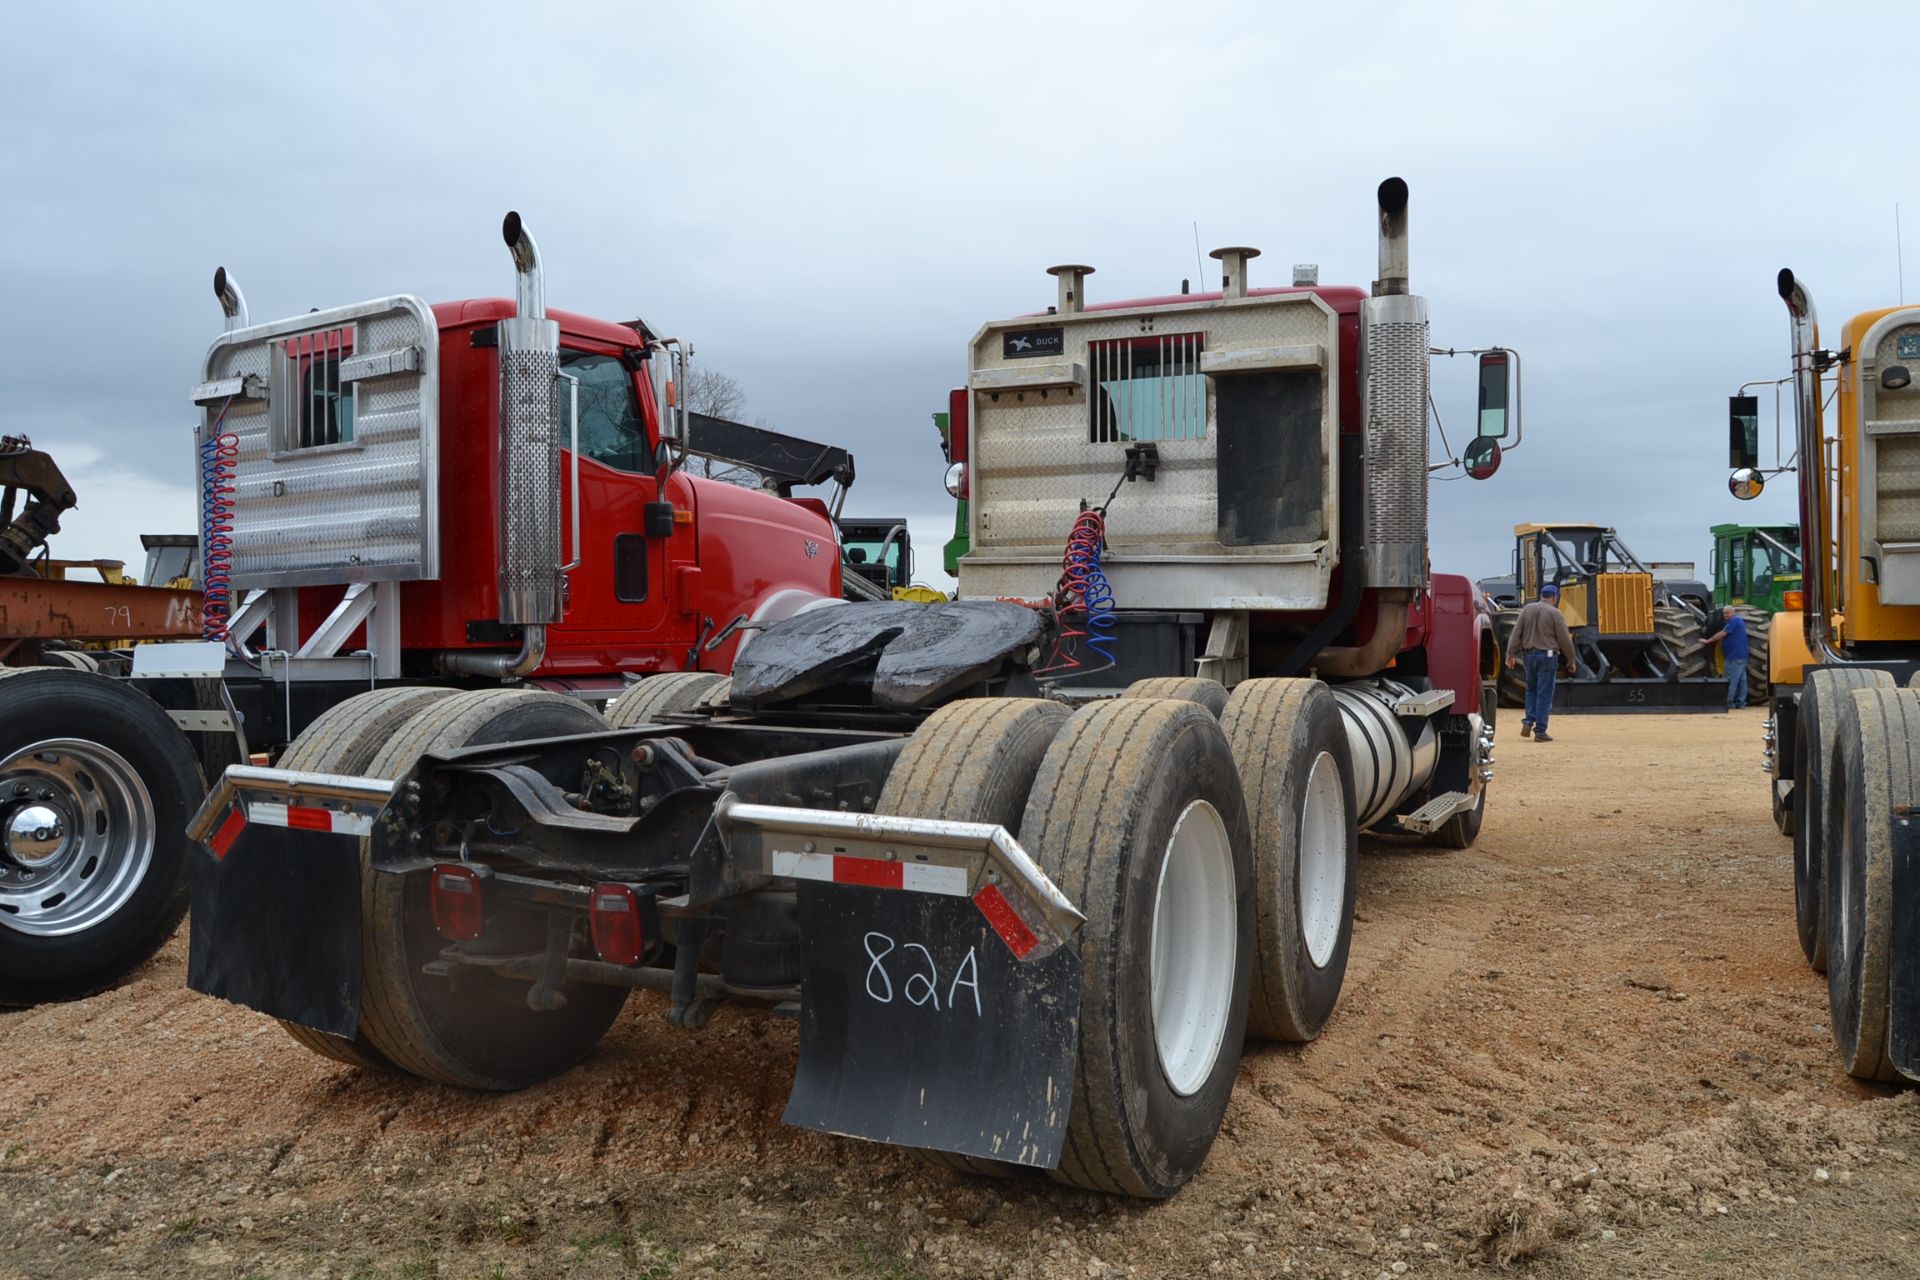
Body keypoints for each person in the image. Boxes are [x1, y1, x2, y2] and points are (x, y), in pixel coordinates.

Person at [1505, 583, 1577, 742]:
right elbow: (1564, 639)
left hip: (1528, 656)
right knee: (1544, 693)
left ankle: (1528, 720)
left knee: (1531, 690)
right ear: (1554, 597)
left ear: (1541, 596)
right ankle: (1540, 731)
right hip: (1548, 656)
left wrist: (1510, 654)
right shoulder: (1555, 613)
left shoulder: (1527, 610)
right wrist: (1571, 660)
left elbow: (1516, 632)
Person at [1703, 605, 1749, 710]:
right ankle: (1741, 703)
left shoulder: (1734, 621)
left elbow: (1722, 634)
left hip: (1734, 656)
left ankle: (1728, 703)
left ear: (1733, 612)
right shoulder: (1737, 621)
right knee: (1742, 681)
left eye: (1727, 613)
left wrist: (1708, 641)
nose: (1725, 615)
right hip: (1742, 656)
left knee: (1730, 680)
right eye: (1724, 613)